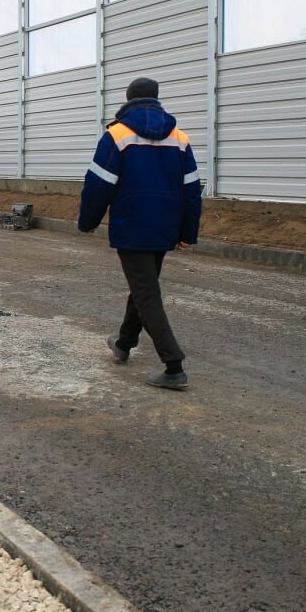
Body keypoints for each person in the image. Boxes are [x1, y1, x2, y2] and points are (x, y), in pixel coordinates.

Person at [78, 76, 202, 391]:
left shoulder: (117, 135)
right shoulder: (179, 138)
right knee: (143, 286)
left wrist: (87, 221)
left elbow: (98, 185)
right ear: (156, 99)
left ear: (128, 99)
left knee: (146, 292)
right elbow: (191, 191)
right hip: (165, 229)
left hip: (132, 227)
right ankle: (124, 342)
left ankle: (173, 365)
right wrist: (188, 231)